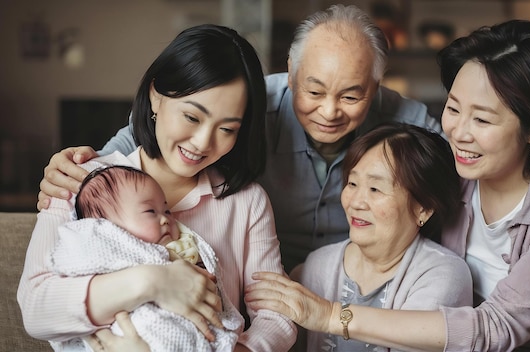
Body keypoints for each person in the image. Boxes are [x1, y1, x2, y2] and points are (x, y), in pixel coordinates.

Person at [244, 20, 530, 351]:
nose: (458, 133)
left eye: (483, 120)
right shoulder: (451, 171)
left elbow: (495, 328)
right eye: (454, 108)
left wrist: (330, 315)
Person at [34, 4, 442, 274]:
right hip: (265, 274)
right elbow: (147, 139)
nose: (330, 110)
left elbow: (460, 188)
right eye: (313, 92)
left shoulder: (408, 124)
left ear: (377, 85)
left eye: (352, 95)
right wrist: (78, 172)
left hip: (355, 280)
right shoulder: (245, 105)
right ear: (291, 72)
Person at [18, 24, 296, 352]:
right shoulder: (84, 180)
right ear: (155, 95)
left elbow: (276, 315)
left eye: (226, 128)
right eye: (192, 117)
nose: (203, 142)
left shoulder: (245, 202)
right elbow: (36, 307)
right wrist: (153, 282)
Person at [293, 122, 473, 351]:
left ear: (423, 208)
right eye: (352, 183)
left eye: (375, 189)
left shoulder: (442, 275)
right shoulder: (317, 266)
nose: (356, 202)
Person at [49, 165, 243, 352]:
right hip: (138, 331)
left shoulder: (183, 252)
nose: (166, 218)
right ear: (108, 228)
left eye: (167, 210)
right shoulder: (100, 248)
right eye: (151, 211)